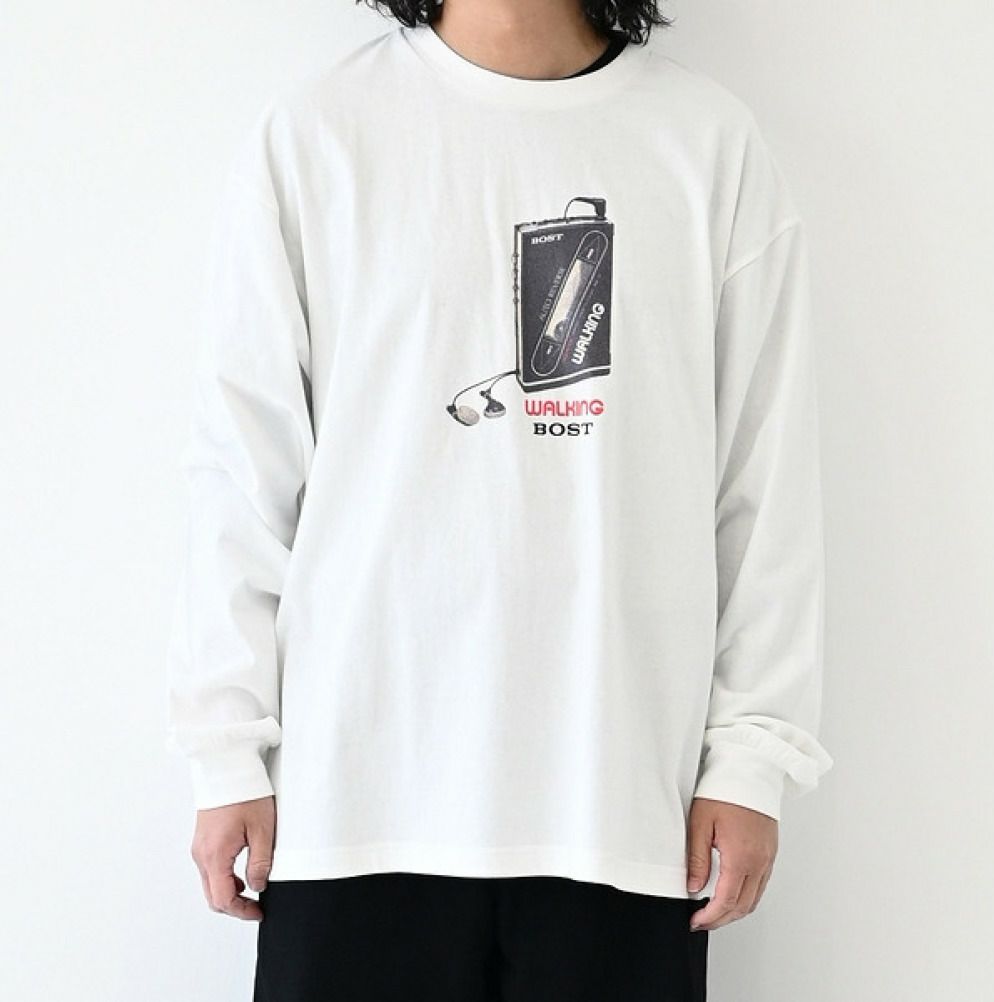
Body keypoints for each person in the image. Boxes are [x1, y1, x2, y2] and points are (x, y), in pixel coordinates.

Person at [165, 1, 835, 999]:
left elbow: (763, 478)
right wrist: (226, 750)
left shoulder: (707, 143)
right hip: (356, 804)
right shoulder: (319, 134)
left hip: (619, 809)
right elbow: (242, 467)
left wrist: (751, 758)